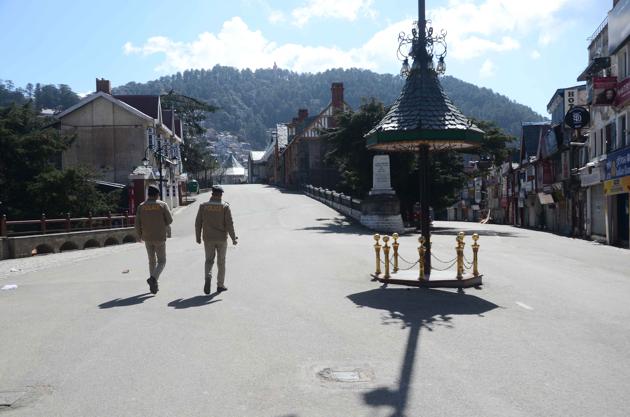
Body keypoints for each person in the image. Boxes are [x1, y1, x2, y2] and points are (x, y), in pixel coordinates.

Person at [195, 185, 237, 295]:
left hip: (208, 238)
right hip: (221, 239)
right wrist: (233, 238)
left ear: (212, 194)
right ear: (221, 194)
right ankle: (220, 285)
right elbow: (229, 224)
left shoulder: (203, 206)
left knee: (209, 261)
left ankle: (208, 277)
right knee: (221, 262)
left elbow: (198, 223)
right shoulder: (225, 207)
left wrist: (198, 237)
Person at [134, 185, 173, 294]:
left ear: (148, 194)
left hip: (147, 237)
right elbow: (170, 220)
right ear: (157, 195)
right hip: (159, 237)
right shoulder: (162, 205)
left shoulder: (141, 206)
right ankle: (153, 279)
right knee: (162, 261)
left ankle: (154, 285)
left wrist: (139, 235)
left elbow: (137, 224)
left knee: (151, 261)